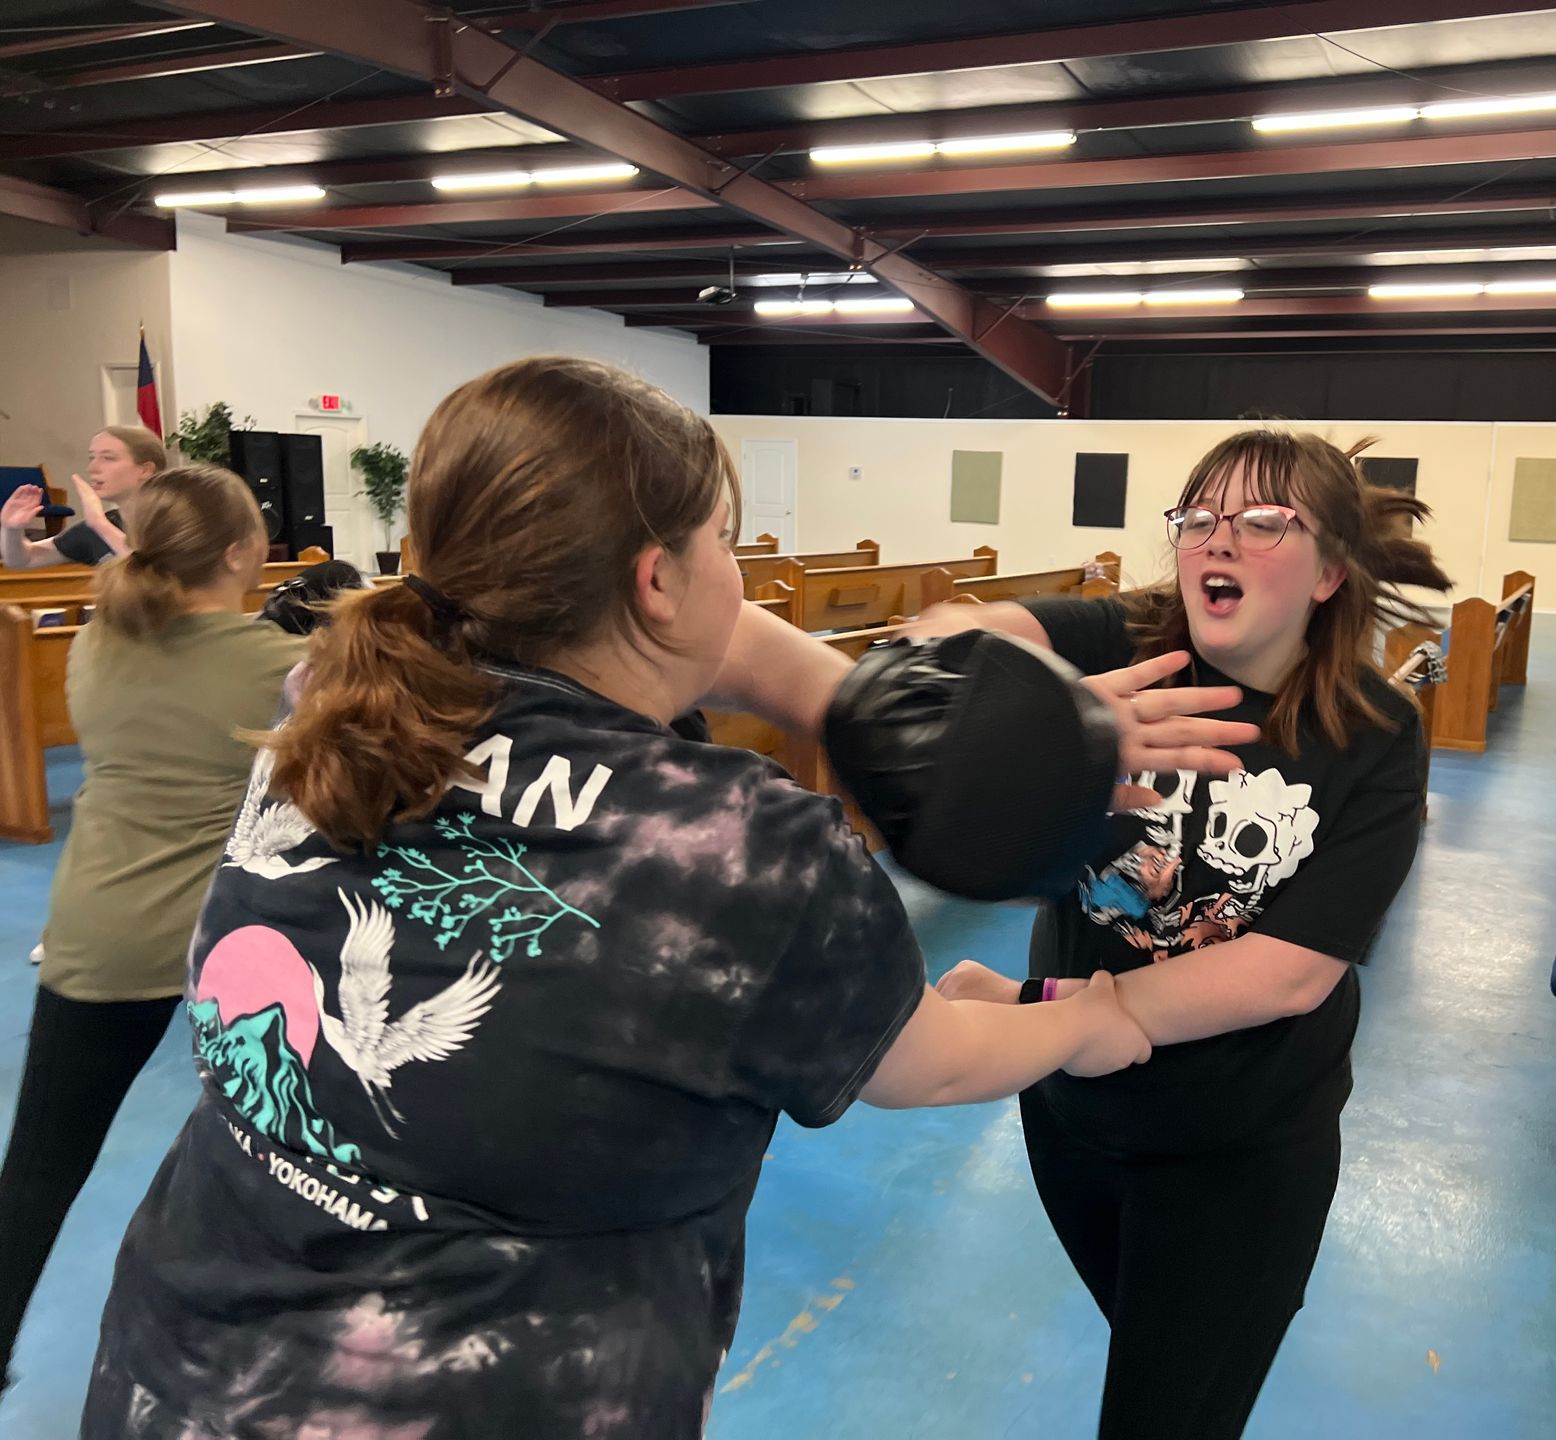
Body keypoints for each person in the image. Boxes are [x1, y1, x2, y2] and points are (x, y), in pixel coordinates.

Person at [78, 356, 1254, 1439]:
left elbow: (666, 626)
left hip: (169, 1369)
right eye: (724, 543)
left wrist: (862, 707)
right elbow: (922, 1059)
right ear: (656, 580)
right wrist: (1098, 1018)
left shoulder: (326, 700)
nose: (735, 576)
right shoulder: (739, 845)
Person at [925, 428, 1453, 1439]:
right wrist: (1039, 711)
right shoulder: (1126, 646)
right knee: (1163, 1363)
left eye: (1263, 522)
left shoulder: (1373, 732)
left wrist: (1060, 1012)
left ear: (1331, 570)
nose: (1220, 540)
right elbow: (950, 636)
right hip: (1074, 1120)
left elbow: (1290, 974)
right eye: (1200, 518)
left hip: (1236, 1152)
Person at [0, 464, 305, 1394]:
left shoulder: (100, 638)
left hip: (100, 929)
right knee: (282, 1154)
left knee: (41, 1167)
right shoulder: (273, 663)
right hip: (236, 952)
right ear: (241, 552)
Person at [0, 425, 165, 569]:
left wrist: (100, 525)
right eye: (92, 457)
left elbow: (156, 578)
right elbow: (22, 560)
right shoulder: (97, 526)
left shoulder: (180, 520)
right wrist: (12, 529)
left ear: (145, 470)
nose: (92, 468)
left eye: (108, 458)